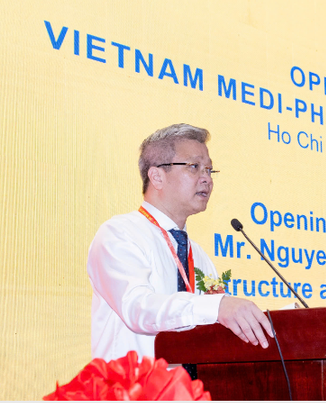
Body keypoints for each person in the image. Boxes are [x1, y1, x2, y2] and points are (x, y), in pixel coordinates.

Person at [88, 123, 273, 363]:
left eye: (209, 170)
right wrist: (215, 307)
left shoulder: (198, 254)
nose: (207, 179)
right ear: (157, 176)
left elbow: (212, 328)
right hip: (133, 385)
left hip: (190, 387)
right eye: (194, 167)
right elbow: (137, 307)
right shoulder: (120, 233)